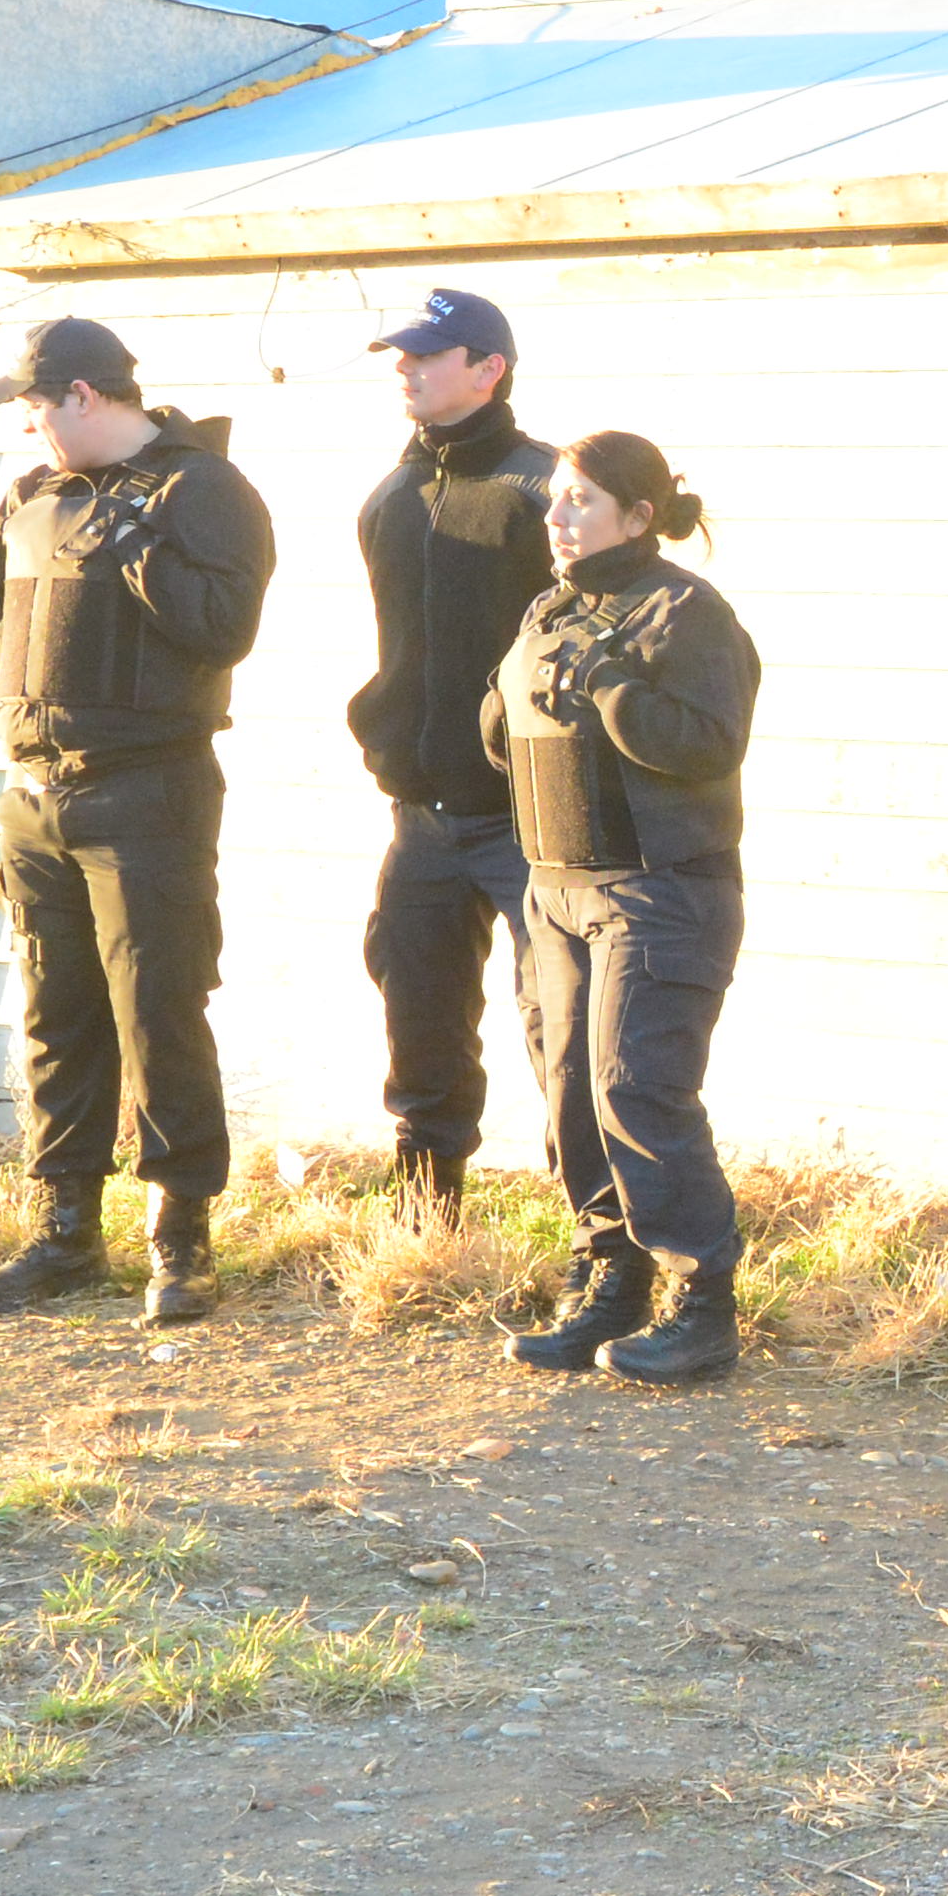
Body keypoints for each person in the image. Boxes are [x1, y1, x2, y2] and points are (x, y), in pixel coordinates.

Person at [0, 312, 278, 1326]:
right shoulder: (38, 494)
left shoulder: (200, 490)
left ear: (88, 396)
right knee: (58, 1016)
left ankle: (182, 1241)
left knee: (158, 1012)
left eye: (40, 408)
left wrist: (133, 540)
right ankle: (67, 1235)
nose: (31, 429)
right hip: (38, 793)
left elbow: (226, 627)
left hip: (147, 792)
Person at [481, 429, 762, 1386]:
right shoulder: (549, 609)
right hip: (556, 883)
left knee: (635, 1090)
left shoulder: (686, 614)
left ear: (640, 515)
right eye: (555, 497)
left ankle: (703, 1305)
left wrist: (605, 683)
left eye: (581, 500)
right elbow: (501, 736)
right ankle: (612, 1282)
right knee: (570, 1096)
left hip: (659, 889)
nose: (556, 517)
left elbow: (705, 746)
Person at [341, 285, 557, 1206]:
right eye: (401, 355)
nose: (405, 368)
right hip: (422, 815)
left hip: (533, 822)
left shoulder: (547, 489)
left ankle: (605, 1243)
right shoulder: (394, 491)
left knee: (567, 1027)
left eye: (426, 355)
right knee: (419, 1016)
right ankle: (424, 1216)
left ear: (488, 370)